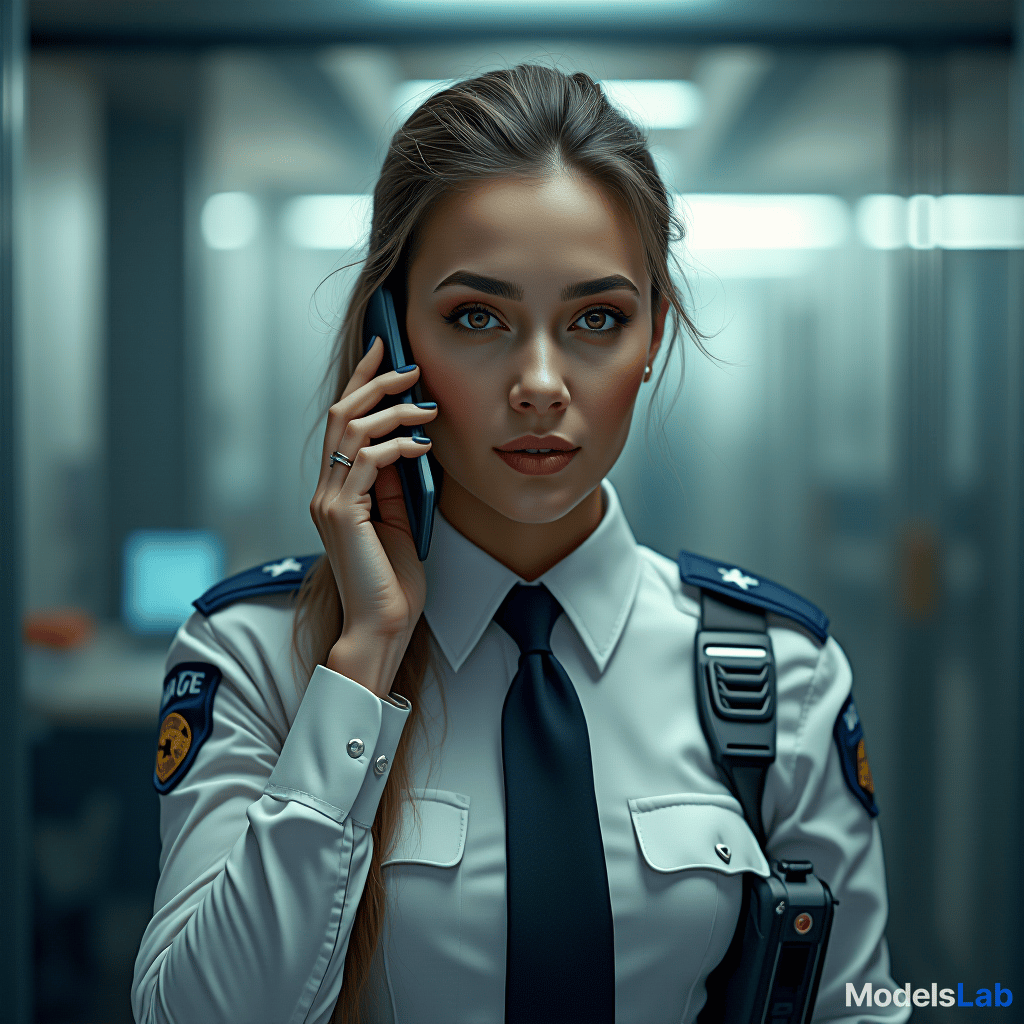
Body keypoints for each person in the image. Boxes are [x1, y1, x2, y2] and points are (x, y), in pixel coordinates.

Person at [132, 64, 908, 1024]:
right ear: (392, 337)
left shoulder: (780, 671)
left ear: (655, 333)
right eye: (476, 317)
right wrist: (364, 661)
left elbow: (862, 1007)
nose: (540, 382)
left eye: (597, 319)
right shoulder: (258, 656)